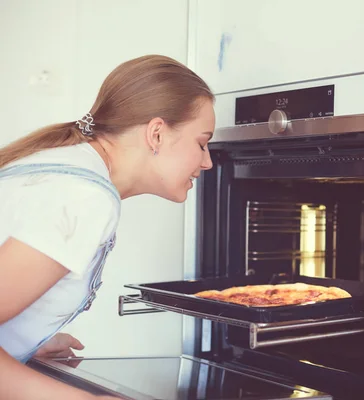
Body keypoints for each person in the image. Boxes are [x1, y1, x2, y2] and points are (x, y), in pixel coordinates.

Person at [0, 54, 215, 399]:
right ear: (157, 133)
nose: (207, 162)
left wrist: (22, 341)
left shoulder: (65, 164)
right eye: (202, 143)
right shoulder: (85, 197)